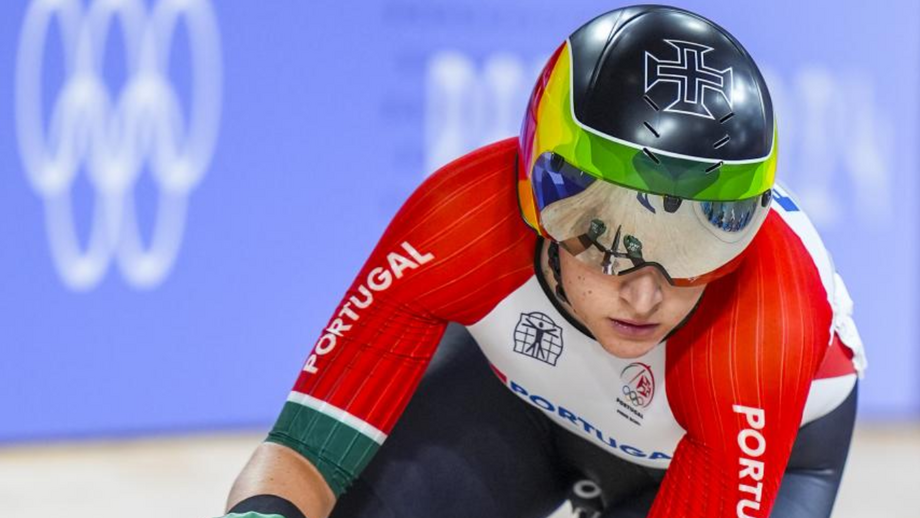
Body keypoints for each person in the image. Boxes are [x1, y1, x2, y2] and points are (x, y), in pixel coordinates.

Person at [220, 5, 865, 518]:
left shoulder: (767, 316)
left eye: (697, 249)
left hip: (738, 447)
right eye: (607, 238)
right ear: (543, 194)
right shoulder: (462, 220)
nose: (645, 297)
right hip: (519, 405)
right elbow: (301, 458)